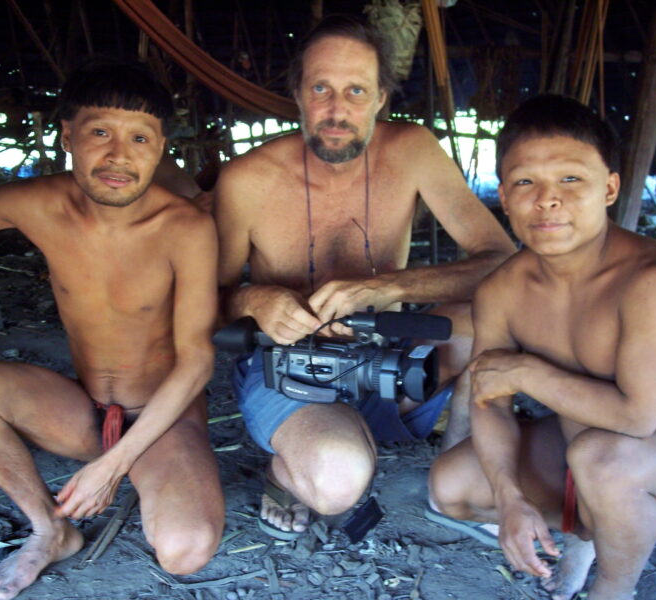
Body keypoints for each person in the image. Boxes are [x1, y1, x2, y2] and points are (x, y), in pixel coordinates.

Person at [214, 15, 515, 539]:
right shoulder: (247, 179)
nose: (337, 110)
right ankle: (291, 466)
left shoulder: (412, 151)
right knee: (337, 482)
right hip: (291, 370)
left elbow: (501, 260)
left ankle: (457, 482)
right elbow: (207, 302)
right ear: (298, 94)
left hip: (385, 362)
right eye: (321, 89)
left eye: (356, 90)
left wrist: (389, 288)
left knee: (482, 323)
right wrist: (256, 297)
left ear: (380, 98)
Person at [0, 60, 223, 600]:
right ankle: (50, 530)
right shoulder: (36, 204)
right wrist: (104, 461)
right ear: (68, 136)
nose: (119, 155)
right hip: (82, 412)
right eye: (99, 133)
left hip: (164, 418)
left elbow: (197, 362)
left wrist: (114, 466)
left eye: (140, 138)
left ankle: (137, 471)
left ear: (161, 148)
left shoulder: (186, 227)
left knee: (186, 550)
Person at [428, 94, 656, 600]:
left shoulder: (653, 282)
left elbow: (637, 419)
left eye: (570, 180)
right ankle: (581, 528)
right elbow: (490, 402)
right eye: (524, 182)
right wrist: (510, 498)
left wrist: (528, 373)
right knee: (450, 484)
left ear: (608, 188)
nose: (547, 199)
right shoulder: (503, 289)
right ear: (504, 194)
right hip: (571, 453)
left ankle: (614, 586)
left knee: (604, 459)